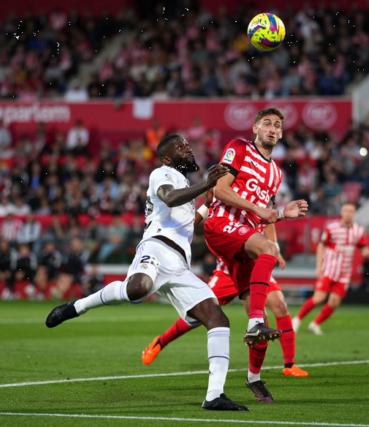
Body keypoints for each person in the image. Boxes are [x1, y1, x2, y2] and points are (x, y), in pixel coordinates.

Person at [45, 135, 247, 411]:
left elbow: (188, 222)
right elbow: (169, 197)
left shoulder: (186, 186)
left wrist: (207, 202)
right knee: (137, 288)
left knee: (218, 319)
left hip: (179, 265)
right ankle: (77, 307)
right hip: (157, 248)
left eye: (188, 145)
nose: (187, 149)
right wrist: (207, 185)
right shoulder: (162, 174)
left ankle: (214, 395)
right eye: (180, 147)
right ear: (166, 158)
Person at [203, 108, 308, 403]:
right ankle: (161, 342)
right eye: (267, 124)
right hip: (221, 224)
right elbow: (221, 190)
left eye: (277, 125)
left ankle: (254, 378)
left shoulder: (276, 173)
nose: (272, 129)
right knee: (270, 250)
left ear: (282, 133)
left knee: (257, 316)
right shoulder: (238, 148)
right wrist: (256, 210)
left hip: (243, 240)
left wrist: (283, 214)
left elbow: (263, 216)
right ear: (255, 128)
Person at [141, 229, 309, 383]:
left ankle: (289, 365)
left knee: (279, 305)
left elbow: (270, 220)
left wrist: (275, 249)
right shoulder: (232, 199)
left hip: (255, 270)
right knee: (199, 312)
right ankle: (160, 343)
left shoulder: (262, 199)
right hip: (228, 272)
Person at [293, 202, 369, 335]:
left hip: (344, 273)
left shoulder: (358, 231)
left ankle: (315, 324)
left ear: (354, 213)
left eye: (351, 211)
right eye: (346, 211)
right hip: (329, 269)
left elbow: (363, 247)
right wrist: (319, 267)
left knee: (335, 302)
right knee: (319, 298)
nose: (348, 214)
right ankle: (297, 319)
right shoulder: (332, 228)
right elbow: (321, 246)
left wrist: (367, 252)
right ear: (341, 212)